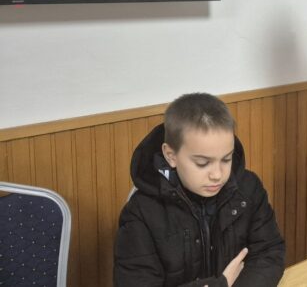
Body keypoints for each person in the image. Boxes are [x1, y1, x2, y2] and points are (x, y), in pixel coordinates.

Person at [114, 92, 285, 286]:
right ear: (171, 155)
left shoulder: (249, 187)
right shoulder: (141, 212)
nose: (217, 174)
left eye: (226, 159)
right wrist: (219, 284)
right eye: (203, 163)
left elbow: (269, 252)